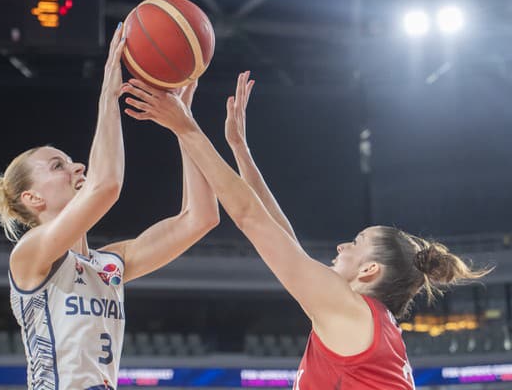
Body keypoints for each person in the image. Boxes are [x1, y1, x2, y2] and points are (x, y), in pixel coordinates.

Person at [121, 71, 492, 390]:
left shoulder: (351, 310)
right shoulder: (362, 316)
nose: (343, 245)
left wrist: (186, 126)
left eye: (357, 243)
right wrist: (240, 149)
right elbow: (284, 240)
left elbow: (251, 219)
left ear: (369, 270)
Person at [0, 23, 219, 390]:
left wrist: (186, 125)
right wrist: (109, 92)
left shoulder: (108, 265)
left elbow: (201, 218)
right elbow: (107, 186)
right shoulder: (30, 255)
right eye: (58, 165)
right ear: (32, 199)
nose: (77, 166)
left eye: (71, 160)